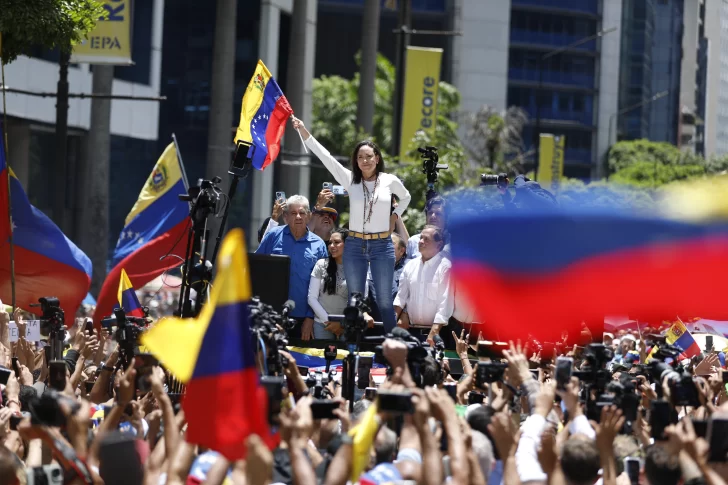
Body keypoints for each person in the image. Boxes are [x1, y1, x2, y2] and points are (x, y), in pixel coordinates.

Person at [292, 117, 411, 332]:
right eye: (360, 157)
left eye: (369, 156)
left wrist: (394, 215)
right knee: (354, 302)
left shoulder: (390, 180)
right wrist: (303, 131)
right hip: (355, 244)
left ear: (377, 158)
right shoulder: (350, 180)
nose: (364, 160)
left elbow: (406, 197)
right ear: (356, 161)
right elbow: (325, 156)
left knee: (384, 302)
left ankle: (396, 349)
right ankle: (352, 350)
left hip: (382, 245)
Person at [256, 195, 328, 340]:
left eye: (302, 213)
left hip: (303, 318)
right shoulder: (273, 236)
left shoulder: (319, 245)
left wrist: (310, 318)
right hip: (272, 315)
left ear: (308, 216)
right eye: (294, 213)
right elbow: (257, 268)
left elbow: (323, 287)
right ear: (286, 216)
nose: (298, 217)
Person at [393, 225, 454, 347]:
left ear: (438, 244)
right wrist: (391, 325)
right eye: (421, 238)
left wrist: (434, 332)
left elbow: (445, 303)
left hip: (437, 334)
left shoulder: (446, 267)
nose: (421, 241)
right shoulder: (410, 265)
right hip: (411, 332)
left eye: (426, 239)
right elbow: (401, 298)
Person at [308, 229, 373, 340]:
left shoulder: (360, 267)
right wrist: (329, 321)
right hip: (322, 324)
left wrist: (342, 324)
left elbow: (361, 300)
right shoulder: (321, 264)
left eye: (337, 242)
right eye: (330, 243)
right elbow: (311, 298)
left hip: (349, 326)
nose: (332, 246)